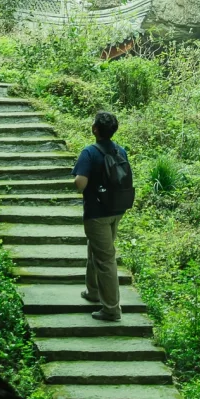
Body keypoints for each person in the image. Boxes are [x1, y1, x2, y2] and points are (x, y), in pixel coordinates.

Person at [73, 110, 133, 322]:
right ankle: (93, 291)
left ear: (95, 129)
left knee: (105, 259)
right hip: (116, 210)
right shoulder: (120, 151)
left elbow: (80, 184)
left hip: (96, 213)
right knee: (96, 250)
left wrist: (77, 181)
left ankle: (111, 309)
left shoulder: (89, 153)